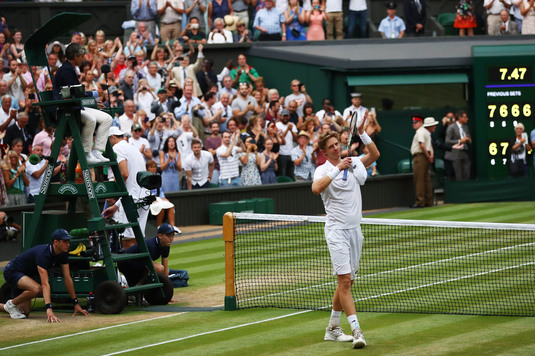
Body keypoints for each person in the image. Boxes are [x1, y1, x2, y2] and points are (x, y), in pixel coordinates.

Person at [311, 117, 379, 350]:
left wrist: (362, 134)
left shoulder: (354, 163)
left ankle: (332, 329)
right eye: (330, 147)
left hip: (355, 232)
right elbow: (316, 188)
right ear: (324, 151)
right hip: (336, 232)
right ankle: (357, 331)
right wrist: (337, 169)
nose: (336, 148)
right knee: (345, 282)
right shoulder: (323, 169)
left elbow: (374, 156)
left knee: (345, 283)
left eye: (337, 144)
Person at [1, 228, 89, 320]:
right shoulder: (43, 255)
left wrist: (76, 303)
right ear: (56, 242)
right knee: (36, 289)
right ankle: (11, 304)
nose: (68, 244)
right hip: (12, 271)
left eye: (68, 241)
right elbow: (45, 284)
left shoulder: (63, 253)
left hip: (25, 275)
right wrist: (49, 308)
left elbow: (67, 278)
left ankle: (10, 305)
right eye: (65, 241)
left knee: (24, 312)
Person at [52, 43, 112, 165]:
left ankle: (98, 151)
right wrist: (93, 96)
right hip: (67, 110)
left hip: (76, 107)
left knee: (107, 118)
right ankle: (86, 154)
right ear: (75, 56)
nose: (83, 59)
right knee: (90, 120)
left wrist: (93, 100)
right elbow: (75, 93)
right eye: (81, 56)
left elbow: (76, 92)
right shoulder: (65, 70)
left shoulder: (70, 68)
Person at [103, 127, 151, 249]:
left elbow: (124, 174)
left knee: (127, 241)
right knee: (136, 239)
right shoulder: (132, 148)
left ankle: (138, 268)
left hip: (133, 200)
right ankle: (144, 267)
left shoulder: (117, 148)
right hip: (143, 197)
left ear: (112, 137)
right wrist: (116, 206)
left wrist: (112, 194)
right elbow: (132, 183)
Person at [118, 223, 178, 288]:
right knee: (159, 268)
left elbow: (165, 267)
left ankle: (138, 288)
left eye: (172, 236)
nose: (171, 238)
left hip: (138, 263)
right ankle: (137, 287)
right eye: (168, 236)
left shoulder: (166, 246)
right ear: (160, 236)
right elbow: (152, 267)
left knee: (158, 269)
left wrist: (167, 288)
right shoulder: (152, 246)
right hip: (125, 263)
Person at [410, 116, 435, 208]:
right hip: (425, 156)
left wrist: (427, 156)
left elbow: (422, 145)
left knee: (419, 180)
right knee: (426, 179)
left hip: (421, 156)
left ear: (421, 123)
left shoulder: (420, 131)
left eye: (416, 122)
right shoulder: (426, 132)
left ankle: (420, 202)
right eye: (413, 122)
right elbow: (430, 146)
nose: (414, 124)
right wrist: (430, 155)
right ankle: (429, 201)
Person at [444, 111, 471, 181]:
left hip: (465, 152)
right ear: (460, 118)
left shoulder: (466, 127)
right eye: (465, 117)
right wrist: (459, 141)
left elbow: (469, 140)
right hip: (455, 154)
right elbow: (447, 141)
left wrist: (468, 139)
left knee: (467, 173)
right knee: (459, 176)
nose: (467, 119)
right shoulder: (451, 127)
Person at [276, 108, 297, 179]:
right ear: (281, 116)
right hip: (282, 153)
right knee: (282, 174)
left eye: (287, 116)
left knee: (291, 174)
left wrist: (291, 130)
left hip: (291, 153)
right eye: (284, 116)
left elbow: (295, 139)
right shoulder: (277, 125)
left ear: (289, 116)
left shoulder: (292, 125)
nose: (285, 118)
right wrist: (288, 129)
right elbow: (281, 139)